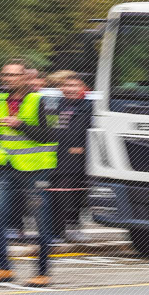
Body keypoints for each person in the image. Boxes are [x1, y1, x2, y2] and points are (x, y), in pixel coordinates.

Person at [0, 60, 57, 287]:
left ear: (26, 77)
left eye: (14, 75)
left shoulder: (40, 100)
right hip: (6, 167)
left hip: (36, 170)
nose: (9, 79)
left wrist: (20, 124)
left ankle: (43, 272)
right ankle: (3, 268)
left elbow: (50, 134)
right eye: (6, 75)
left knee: (41, 221)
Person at [52, 71, 92, 241]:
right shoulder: (56, 105)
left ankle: (72, 227)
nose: (70, 89)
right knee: (57, 195)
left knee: (73, 195)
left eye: (74, 85)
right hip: (55, 156)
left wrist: (84, 148)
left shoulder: (89, 107)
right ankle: (56, 231)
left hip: (78, 160)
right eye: (67, 85)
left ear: (83, 88)